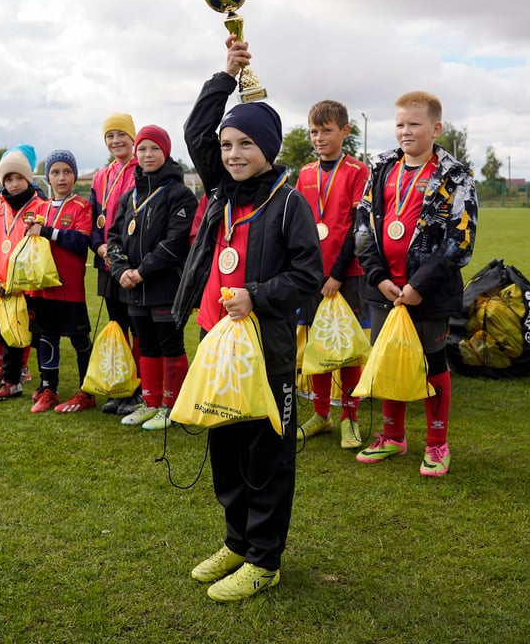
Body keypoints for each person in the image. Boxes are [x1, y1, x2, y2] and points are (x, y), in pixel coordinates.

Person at [172, 37, 321, 602]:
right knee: (225, 448)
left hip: (268, 350)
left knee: (267, 455)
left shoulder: (288, 201)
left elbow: (308, 275)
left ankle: (265, 558)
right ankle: (236, 541)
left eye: (246, 145)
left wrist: (255, 296)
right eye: (228, 144)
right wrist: (225, 76)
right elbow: (196, 135)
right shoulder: (219, 192)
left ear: (268, 148)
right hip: (217, 343)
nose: (233, 154)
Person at [352, 91, 477, 478]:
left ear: (436, 128)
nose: (405, 132)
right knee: (389, 358)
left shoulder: (456, 176)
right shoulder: (381, 167)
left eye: (415, 124)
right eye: (400, 124)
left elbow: (462, 240)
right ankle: (392, 436)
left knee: (432, 363)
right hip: (384, 289)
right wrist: (378, 276)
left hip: (429, 291)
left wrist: (420, 285)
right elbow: (362, 226)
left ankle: (437, 444)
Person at [106, 125, 197, 430]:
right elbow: (115, 238)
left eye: (154, 149)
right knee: (146, 344)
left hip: (164, 286)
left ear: (166, 152)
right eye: (142, 149)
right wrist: (121, 271)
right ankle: (151, 402)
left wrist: (141, 272)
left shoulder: (180, 194)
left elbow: (175, 242)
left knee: (169, 344)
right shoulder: (129, 195)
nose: (147, 155)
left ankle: (172, 406)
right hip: (132, 287)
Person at [293, 100, 371, 449]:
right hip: (311, 275)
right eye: (314, 131)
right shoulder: (306, 173)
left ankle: (350, 418)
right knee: (319, 343)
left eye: (326, 131)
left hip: (347, 274)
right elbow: (300, 227)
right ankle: (321, 414)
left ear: (345, 131)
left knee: (347, 348)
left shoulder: (358, 172)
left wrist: (337, 274)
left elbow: (358, 228)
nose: (319, 138)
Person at [22, 149, 98, 413]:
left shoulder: (81, 207)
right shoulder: (39, 208)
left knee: (79, 339)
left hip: (70, 289)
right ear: (48, 178)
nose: (61, 177)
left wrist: (47, 231)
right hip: (42, 288)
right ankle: (49, 389)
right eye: (55, 172)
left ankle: (86, 392)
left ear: (74, 176)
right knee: (46, 337)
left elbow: (80, 242)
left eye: (67, 172)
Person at [0, 146, 44, 401]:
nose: (14, 184)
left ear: (28, 179)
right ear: (2, 182)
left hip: (29, 288)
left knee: (38, 335)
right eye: (8, 179)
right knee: (7, 335)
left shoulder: (42, 207)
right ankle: (11, 382)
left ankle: (48, 384)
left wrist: (26, 283)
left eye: (19, 178)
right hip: (3, 288)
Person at [90, 112, 142, 415]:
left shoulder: (141, 169)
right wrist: (99, 247)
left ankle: (138, 389)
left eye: (121, 134)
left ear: (132, 138)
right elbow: (95, 218)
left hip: (131, 262)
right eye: (110, 136)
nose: (115, 141)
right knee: (117, 324)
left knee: (138, 327)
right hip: (106, 261)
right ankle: (120, 386)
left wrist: (120, 252)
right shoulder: (101, 175)